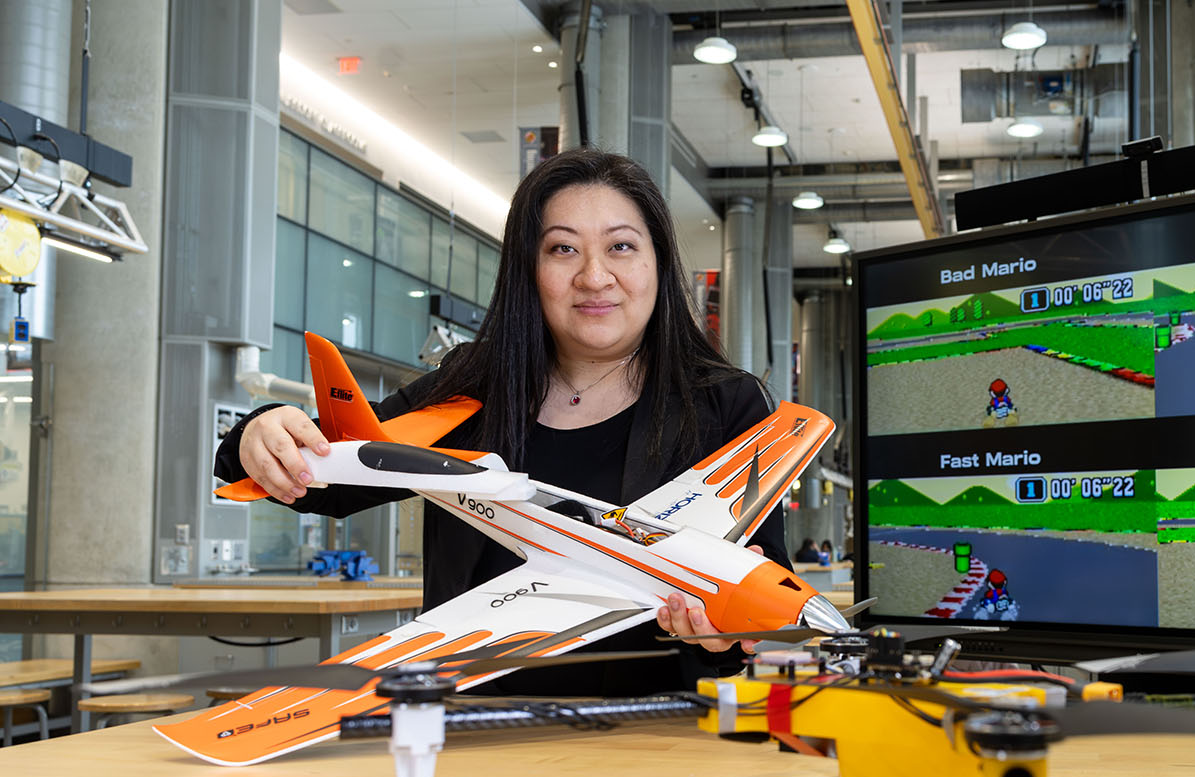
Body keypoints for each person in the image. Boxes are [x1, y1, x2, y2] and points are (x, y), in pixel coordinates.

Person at [214, 148, 787, 696]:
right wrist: (259, 433)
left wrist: (727, 634)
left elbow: (767, 602)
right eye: (563, 250)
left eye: (621, 247)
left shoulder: (727, 407)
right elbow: (331, 478)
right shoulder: (472, 387)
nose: (594, 276)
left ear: (658, 262)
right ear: (528, 269)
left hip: (656, 740)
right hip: (469, 729)